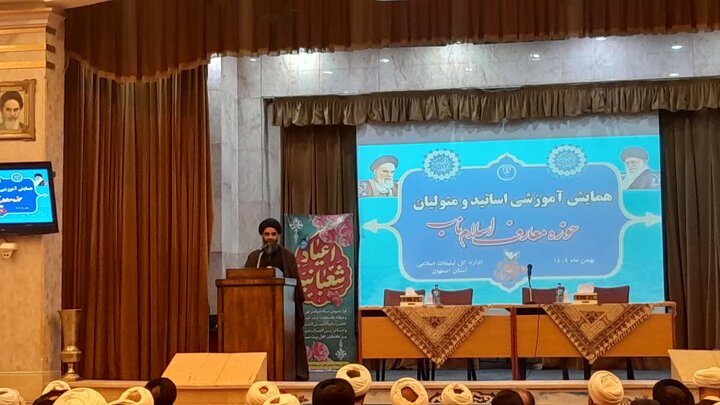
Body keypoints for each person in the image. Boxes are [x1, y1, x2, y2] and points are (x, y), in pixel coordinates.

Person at [243, 217, 309, 381]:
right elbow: (245, 281)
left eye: (273, 234)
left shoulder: (287, 257)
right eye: (267, 234)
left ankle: (290, 372)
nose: (270, 237)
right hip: (259, 312)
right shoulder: (255, 257)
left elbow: (295, 282)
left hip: (284, 312)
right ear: (262, 236)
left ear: (278, 236)